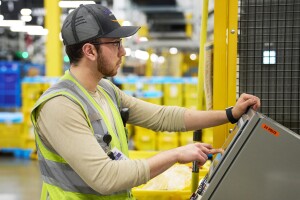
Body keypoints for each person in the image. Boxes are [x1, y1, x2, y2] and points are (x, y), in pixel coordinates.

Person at [30, 4, 260, 200]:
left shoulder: (104, 89)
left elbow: (163, 117)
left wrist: (230, 114)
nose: (123, 52)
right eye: (115, 44)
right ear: (90, 51)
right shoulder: (60, 106)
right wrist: (176, 155)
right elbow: (105, 178)